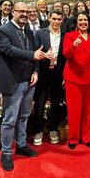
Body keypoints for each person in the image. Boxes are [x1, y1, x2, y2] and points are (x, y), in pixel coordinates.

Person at [0, 2, 45, 171]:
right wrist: (33, 55)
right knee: (9, 120)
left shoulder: (30, 32)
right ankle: (7, 153)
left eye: (27, 11)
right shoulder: (2, 31)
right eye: (21, 11)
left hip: (29, 82)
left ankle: (22, 145)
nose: (24, 14)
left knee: (23, 116)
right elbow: (8, 50)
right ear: (13, 12)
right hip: (12, 82)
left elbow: (37, 54)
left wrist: (36, 71)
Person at [62, 12, 90, 150]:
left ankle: (86, 137)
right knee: (74, 111)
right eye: (80, 20)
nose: (83, 22)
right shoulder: (70, 36)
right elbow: (66, 53)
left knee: (88, 110)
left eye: (85, 20)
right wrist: (73, 46)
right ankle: (73, 138)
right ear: (76, 22)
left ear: (89, 22)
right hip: (73, 79)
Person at [33, 10, 65, 146]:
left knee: (56, 103)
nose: (56, 21)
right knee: (40, 103)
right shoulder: (40, 33)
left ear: (62, 20)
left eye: (59, 19)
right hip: (43, 72)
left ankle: (53, 129)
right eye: (54, 19)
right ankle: (38, 130)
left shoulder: (65, 35)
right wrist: (43, 55)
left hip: (58, 73)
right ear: (49, 18)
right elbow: (34, 52)